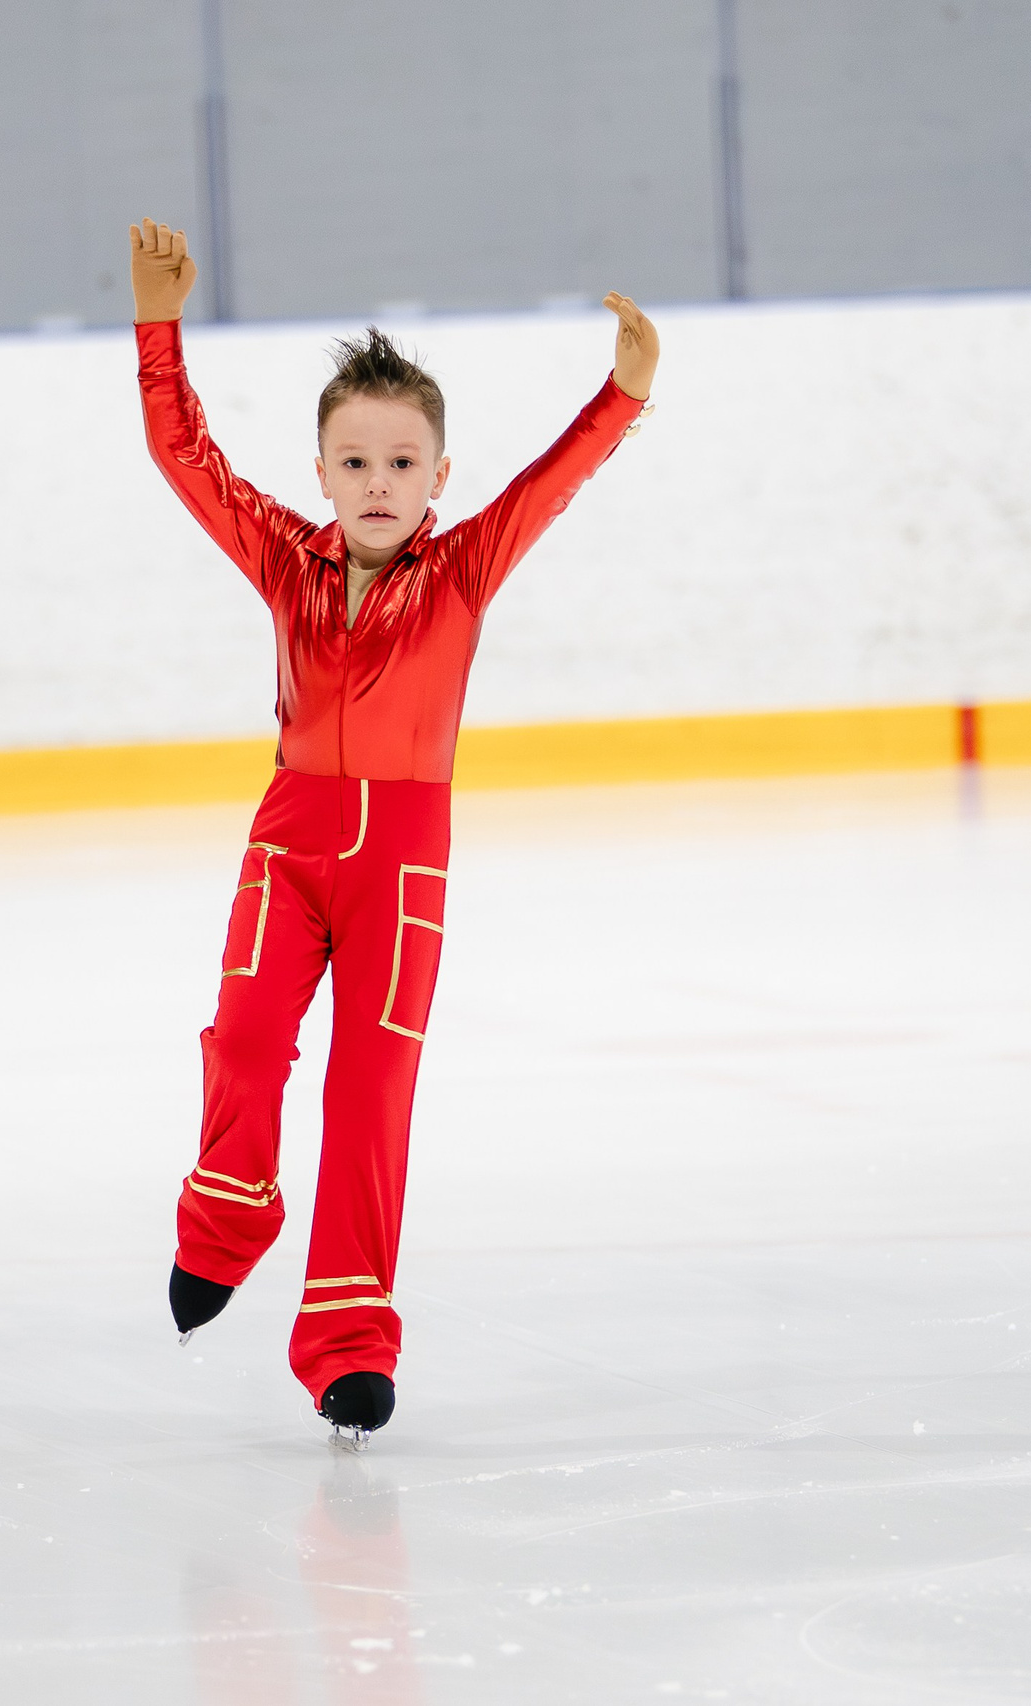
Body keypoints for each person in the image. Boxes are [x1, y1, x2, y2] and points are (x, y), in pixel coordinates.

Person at [131, 218, 658, 1444]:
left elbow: (551, 485)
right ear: (320, 470)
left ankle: (347, 1335)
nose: (378, 482)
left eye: (402, 462)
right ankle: (226, 1213)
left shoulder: (467, 570)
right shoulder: (282, 559)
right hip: (291, 841)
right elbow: (182, 452)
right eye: (356, 460)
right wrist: (159, 330)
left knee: (373, 1097)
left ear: (438, 477)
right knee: (247, 1037)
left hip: (403, 867)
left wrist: (619, 397)